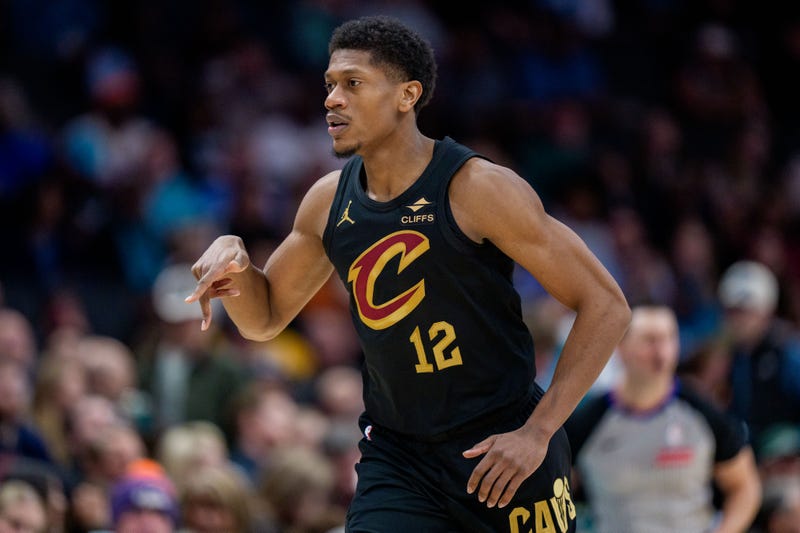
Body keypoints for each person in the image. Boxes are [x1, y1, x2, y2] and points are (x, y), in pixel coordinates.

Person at [186, 15, 630, 532]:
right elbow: (262, 319)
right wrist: (235, 260)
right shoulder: (327, 202)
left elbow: (607, 305)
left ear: (406, 95)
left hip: (503, 446)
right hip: (399, 455)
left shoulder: (477, 188)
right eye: (329, 85)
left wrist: (539, 432)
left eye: (352, 84)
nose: (332, 100)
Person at [565, 305, 761, 533]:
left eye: (669, 338)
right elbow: (554, 487)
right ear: (620, 347)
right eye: (650, 340)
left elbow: (745, 487)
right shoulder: (588, 421)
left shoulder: (702, 413)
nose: (661, 352)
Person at [717, 260, 800, 445]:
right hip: (747, 453)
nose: (739, 320)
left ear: (766, 312)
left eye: (746, 312)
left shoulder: (788, 352)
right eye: (733, 312)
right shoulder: (728, 356)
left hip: (784, 457)